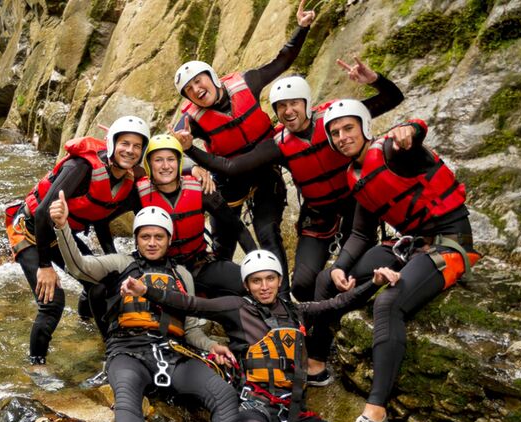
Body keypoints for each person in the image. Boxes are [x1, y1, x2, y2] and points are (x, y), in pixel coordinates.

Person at [312, 99, 481, 422]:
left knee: (388, 303)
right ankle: (315, 363)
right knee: (326, 279)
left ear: (363, 127)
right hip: (408, 243)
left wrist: (412, 129)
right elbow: (360, 234)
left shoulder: (393, 151)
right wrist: (342, 266)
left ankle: (375, 415)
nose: (342, 137)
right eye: (335, 133)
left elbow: (413, 137)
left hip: (448, 243)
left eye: (348, 128)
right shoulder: (354, 176)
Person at [121, 249, 398, 422]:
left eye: (269, 279)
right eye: (256, 281)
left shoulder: (297, 311)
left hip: (294, 414)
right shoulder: (235, 308)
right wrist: (146, 291)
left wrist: (373, 283)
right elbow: (190, 303)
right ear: (247, 285)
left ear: (278, 281)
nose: (264, 286)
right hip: (255, 408)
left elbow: (339, 302)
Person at [175, 57, 403, 307]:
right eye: (281, 107)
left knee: (345, 273)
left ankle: (343, 300)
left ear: (306, 103)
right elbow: (232, 166)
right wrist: (193, 159)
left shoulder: (336, 122)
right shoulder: (279, 145)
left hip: (356, 212)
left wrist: (374, 80)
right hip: (318, 216)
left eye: (294, 104)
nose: (288, 111)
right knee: (302, 287)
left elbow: (391, 99)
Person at [49, 202, 249, 422]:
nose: (152, 242)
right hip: (127, 352)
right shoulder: (121, 264)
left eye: (158, 236)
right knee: (126, 389)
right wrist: (63, 227)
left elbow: (189, 330)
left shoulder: (183, 276)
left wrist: (210, 345)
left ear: (168, 240)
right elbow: (79, 267)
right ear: (136, 239)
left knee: (222, 394)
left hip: (173, 355)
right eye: (145, 236)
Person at [172, 0, 317, 298]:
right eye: (190, 89)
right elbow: (168, 153)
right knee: (222, 247)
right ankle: (224, 301)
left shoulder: (246, 83)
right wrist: (194, 165)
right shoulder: (190, 120)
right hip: (229, 180)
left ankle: (283, 300)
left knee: (267, 233)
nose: (198, 89)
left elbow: (281, 61)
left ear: (211, 77)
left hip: (264, 171)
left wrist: (301, 29)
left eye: (200, 81)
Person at [4, 115, 150, 367]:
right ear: (112, 143)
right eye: (125, 143)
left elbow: (100, 213)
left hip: (61, 232)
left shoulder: (127, 179)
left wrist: (110, 258)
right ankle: (37, 367)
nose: (130, 150)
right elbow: (42, 213)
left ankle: (91, 326)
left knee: (100, 283)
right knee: (52, 303)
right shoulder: (81, 168)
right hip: (30, 230)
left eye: (137, 146)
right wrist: (45, 267)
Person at [137, 134, 257, 297]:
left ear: (179, 162)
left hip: (199, 265)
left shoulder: (201, 189)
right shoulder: (137, 193)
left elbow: (237, 228)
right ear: (149, 164)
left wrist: (257, 262)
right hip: (158, 268)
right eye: (158, 160)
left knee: (250, 284)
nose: (165, 166)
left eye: (171, 159)